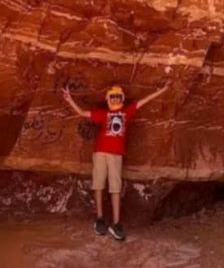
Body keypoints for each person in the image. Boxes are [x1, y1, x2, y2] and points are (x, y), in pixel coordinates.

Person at [61, 81, 170, 240]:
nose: (115, 99)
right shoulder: (103, 114)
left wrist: (163, 90)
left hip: (116, 154)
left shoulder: (126, 112)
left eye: (118, 96)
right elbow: (82, 113)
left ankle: (117, 223)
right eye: (113, 97)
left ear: (122, 98)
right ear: (107, 99)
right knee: (98, 184)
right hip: (100, 153)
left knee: (115, 187)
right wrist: (69, 99)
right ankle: (99, 219)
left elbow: (144, 101)